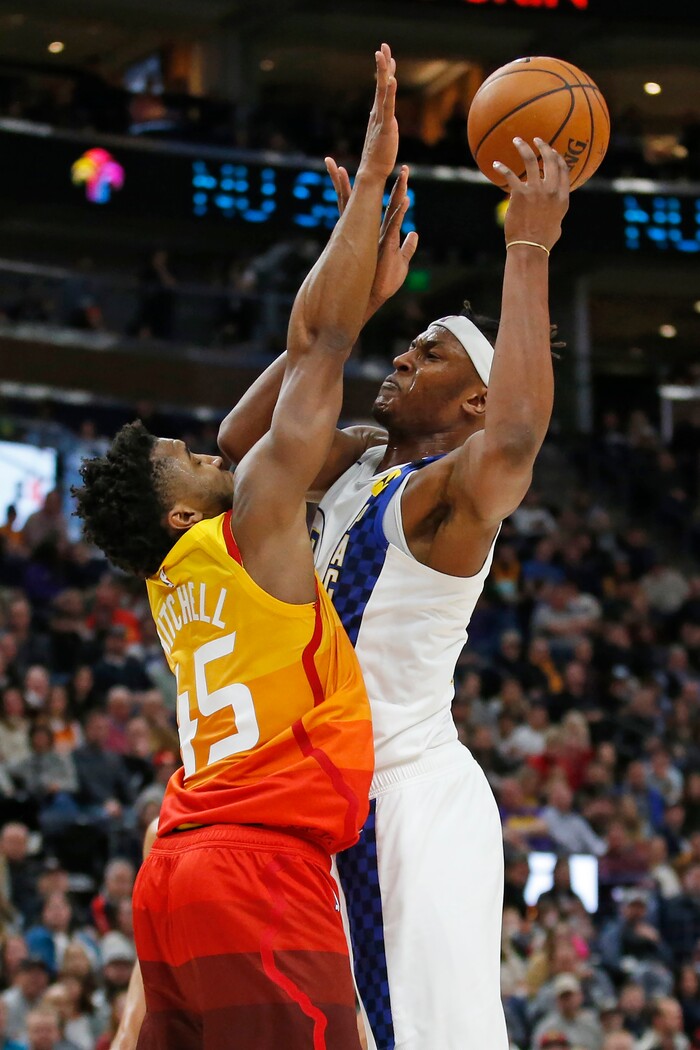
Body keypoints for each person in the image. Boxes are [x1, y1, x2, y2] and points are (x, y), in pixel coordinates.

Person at [73, 42, 399, 1050]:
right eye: (182, 457)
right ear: (179, 512)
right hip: (257, 871)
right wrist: (374, 177)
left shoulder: (185, 573)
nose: (205, 452)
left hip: (179, 869)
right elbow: (314, 347)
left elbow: (259, 419)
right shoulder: (252, 521)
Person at [217, 119, 571, 1048]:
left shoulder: (450, 497)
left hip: (399, 801)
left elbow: (522, 441)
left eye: (430, 353)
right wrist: (345, 308)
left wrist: (527, 248)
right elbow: (241, 451)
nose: (403, 358)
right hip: (332, 796)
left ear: (478, 402)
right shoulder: (361, 463)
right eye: (404, 344)